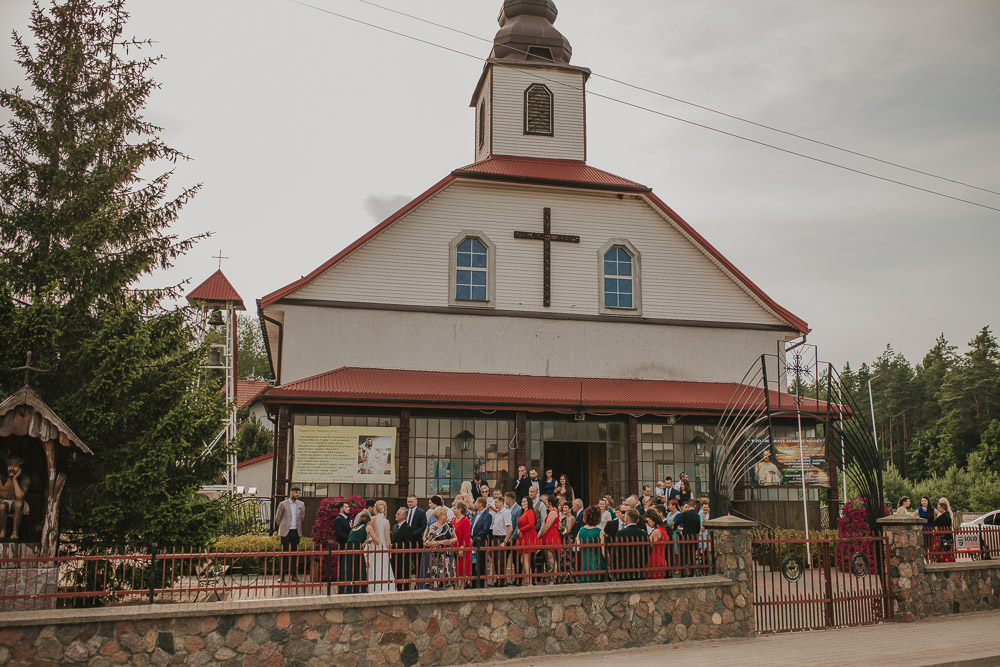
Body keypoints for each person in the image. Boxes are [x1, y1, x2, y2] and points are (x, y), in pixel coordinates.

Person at [274, 486, 305, 582]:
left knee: (295, 554)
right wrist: (284, 526)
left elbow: (302, 517)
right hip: (285, 532)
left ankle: (294, 575)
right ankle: (282, 576)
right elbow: (277, 518)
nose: (297, 494)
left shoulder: (301, 504)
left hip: (296, 531)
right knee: (284, 554)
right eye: (296, 492)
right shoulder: (283, 504)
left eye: (299, 493)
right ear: (291, 492)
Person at [366, 500, 396, 592]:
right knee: (383, 568)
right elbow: (387, 538)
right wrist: (389, 549)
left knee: (373, 568)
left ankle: (373, 588)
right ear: (385, 509)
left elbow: (368, 535)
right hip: (382, 548)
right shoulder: (385, 522)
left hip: (372, 547)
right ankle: (384, 588)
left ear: (375, 508)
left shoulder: (371, 520)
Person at [0, 456, 31, 540]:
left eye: (15, 466)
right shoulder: (0, 478)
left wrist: (14, 479)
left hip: (18, 502)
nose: (12, 468)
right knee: (1, 506)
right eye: (10, 465)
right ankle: (2, 531)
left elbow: (20, 496)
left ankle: (15, 532)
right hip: (2, 502)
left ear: (20, 468)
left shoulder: (25, 479)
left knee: (18, 504)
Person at [425, 506, 456, 590]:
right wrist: (441, 542)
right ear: (439, 516)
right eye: (445, 515)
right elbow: (428, 542)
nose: (446, 516)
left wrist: (451, 541)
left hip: (448, 555)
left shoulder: (449, 526)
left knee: (449, 579)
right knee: (437, 581)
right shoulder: (432, 527)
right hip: (437, 556)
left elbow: (455, 537)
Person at [342, 511, 370, 594]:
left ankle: (349, 587)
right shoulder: (366, 527)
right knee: (358, 567)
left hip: (350, 547)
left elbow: (356, 542)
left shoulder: (354, 528)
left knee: (350, 567)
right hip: (357, 548)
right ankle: (360, 587)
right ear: (368, 521)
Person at [616, 509, 648, 580]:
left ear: (626, 520)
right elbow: (647, 551)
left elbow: (617, 552)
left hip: (624, 567)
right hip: (639, 566)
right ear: (637, 520)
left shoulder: (620, 533)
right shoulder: (643, 534)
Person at [577, 505, 606, 583]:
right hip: (597, 562)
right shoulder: (600, 532)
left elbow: (577, 547)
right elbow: (604, 551)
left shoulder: (581, 530)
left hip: (585, 563)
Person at [673, 499, 702, 576]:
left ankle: (683, 573)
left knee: (683, 555)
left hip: (685, 536)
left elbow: (677, 522)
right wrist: (696, 532)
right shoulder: (697, 515)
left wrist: (675, 527)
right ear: (695, 506)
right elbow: (698, 528)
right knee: (692, 555)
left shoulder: (685, 514)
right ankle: (692, 572)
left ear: (688, 506)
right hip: (693, 537)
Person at [489, 492, 512, 586]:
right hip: (495, 537)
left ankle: (502, 580)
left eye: (497, 502)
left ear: (501, 502)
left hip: (502, 538)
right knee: (495, 561)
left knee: (501, 561)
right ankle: (497, 579)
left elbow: (510, 528)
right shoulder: (498, 512)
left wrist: (505, 541)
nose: (495, 504)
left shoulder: (505, 513)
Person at [470, 496, 493, 588]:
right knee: (473, 563)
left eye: (476, 502)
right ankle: (474, 582)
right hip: (472, 540)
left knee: (481, 563)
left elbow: (485, 529)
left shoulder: (487, 515)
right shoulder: (476, 514)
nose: (475, 503)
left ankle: (481, 583)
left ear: (480, 504)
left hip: (480, 542)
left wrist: (475, 538)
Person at [517, 496, 540, 585]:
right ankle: (526, 578)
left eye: (524, 502)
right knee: (523, 559)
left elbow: (531, 524)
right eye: (522, 502)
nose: (522, 503)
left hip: (528, 536)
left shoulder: (530, 512)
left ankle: (529, 579)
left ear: (528, 503)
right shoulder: (524, 512)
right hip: (523, 536)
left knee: (526, 559)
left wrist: (521, 530)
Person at [537, 495, 561, 579]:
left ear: (550, 503)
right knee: (549, 558)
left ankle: (553, 577)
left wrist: (540, 536)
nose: (545, 503)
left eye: (547, 502)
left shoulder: (553, 512)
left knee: (551, 558)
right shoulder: (552, 512)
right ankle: (551, 576)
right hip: (549, 534)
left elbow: (547, 526)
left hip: (551, 535)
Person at [391, 507, 415, 590]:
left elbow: (408, 544)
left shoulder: (407, 528)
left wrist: (394, 546)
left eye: (398, 514)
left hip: (403, 557)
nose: (396, 515)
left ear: (404, 516)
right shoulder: (394, 527)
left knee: (403, 575)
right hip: (394, 556)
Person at [452, 500, 472, 589]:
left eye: (455, 508)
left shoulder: (465, 520)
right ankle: (455, 585)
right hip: (454, 546)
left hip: (462, 546)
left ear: (460, 510)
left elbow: (466, 535)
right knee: (455, 568)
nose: (453, 510)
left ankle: (462, 586)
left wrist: (462, 547)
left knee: (463, 568)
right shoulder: (453, 519)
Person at [504, 491, 521, 585]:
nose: (505, 500)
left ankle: (518, 578)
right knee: (504, 558)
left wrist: (513, 537)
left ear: (509, 499)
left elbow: (517, 525)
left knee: (515, 559)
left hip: (513, 537)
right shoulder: (506, 509)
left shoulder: (518, 509)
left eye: (505, 498)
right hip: (506, 536)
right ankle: (504, 578)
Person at [646, 510, 669, 579]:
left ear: (653, 520)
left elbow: (651, 545)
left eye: (648, 520)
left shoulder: (656, 531)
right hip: (661, 558)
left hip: (654, 560)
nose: (647, 523)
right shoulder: (662, 529)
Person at [932, 498, 956, 563]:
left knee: (943, 549)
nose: (938, 509)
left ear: (943, 508)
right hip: (946, 534)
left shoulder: (945, 516)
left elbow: (939, 525)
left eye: (939, 507)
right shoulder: (944, 515)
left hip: (943, 535)